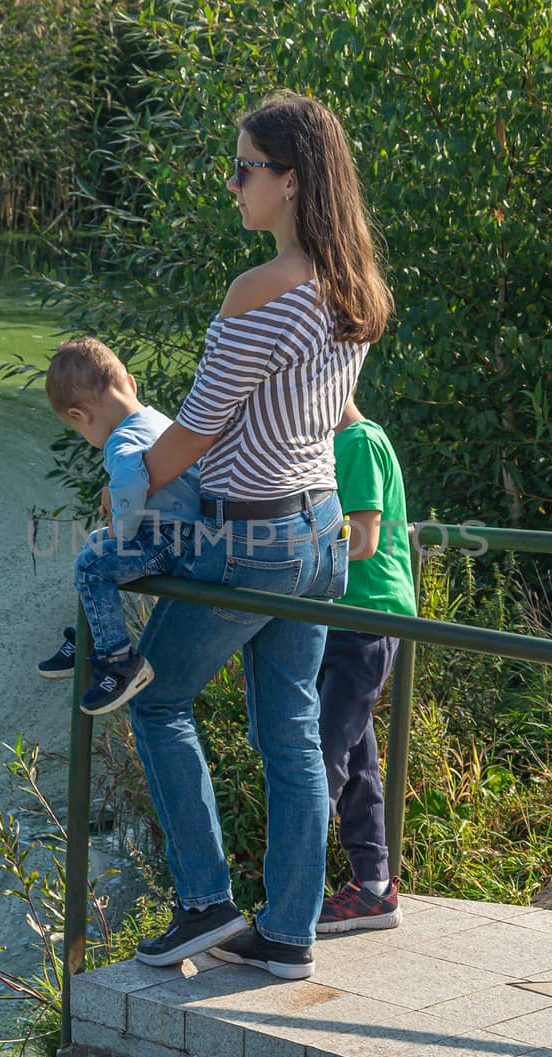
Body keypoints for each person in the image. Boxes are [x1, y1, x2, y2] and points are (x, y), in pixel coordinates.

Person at [126, 91, 394, 981]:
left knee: (151, 696)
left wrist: (127, 490)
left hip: (256, 537)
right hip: (319, 533)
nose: (233, 183)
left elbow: (199, 426)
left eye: (245, 167)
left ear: (290, 179)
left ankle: (204, 899)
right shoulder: (354, 285)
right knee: (292, 730)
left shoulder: (261, 290)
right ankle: (287, 934)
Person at [36, 337, 200, 716]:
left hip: (171, 539)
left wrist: (121, 532)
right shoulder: (161, 421)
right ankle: (92, 635)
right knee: (95, 547)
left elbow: (128, 478)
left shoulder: (121, 439)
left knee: (91, 566)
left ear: (79, 415)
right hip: (190, 532)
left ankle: (120, 661)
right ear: (130, 383)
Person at [314, 397, 417, 932]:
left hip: (366, 619)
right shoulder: (336, 444)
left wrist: (282, 544)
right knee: (354, 758)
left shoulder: (358, 443)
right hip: (344, 619)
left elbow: (363, 539)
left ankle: (291, 900)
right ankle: (374, 887)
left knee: (322, 754)